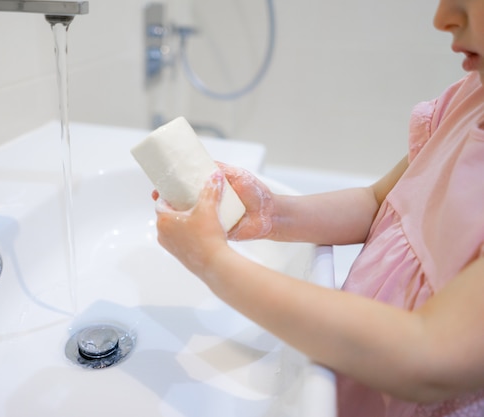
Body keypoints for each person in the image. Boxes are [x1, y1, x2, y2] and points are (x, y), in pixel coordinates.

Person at [151, 0, 484, 415]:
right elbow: (378, 203)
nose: (442, 18)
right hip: (359, 376)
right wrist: (271, 213)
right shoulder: (468, 101)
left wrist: (211, 262)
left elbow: (429, 355)